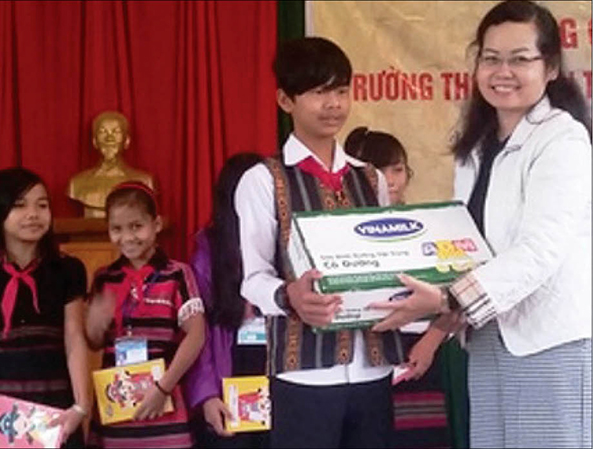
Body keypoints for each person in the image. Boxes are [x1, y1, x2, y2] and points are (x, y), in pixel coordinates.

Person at [371, 1, 592, 448]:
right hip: (487, 336)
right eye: (491, 58)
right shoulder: (476, 148)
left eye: (520, 59)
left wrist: (445, 299)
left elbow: (539, 251)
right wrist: (434, 313)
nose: (502, 72)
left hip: (549, 341)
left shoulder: (563, 139)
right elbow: (466, 248)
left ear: (550, 67)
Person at [235, 37, 395, 449]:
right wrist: (289, 295)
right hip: (303, 373)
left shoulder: (370, 178)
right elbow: (252, 278)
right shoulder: (263, 180)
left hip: (373, 368)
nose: (333, 104)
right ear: (285, 100)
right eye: (319, 92)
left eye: (341, 91)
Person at [0, 167, 90, 448]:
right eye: (20, 205)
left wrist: (81, 406)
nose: (33, 214)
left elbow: (74, 338)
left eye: (42, 205)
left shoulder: (67, 270)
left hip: (52, 408)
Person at [345, 127, 454, 448]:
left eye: (397, 170)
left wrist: (430, 342)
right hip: (361, 358)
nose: (390, 181)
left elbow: (460, 292)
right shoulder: (338, 231)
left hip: (420, 354)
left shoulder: (429, 228)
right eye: (379, 171)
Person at [85, 181, 205, 448]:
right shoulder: (104, 277)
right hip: (117, 412)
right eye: (117, 229)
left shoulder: (177, 274)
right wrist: (94, 322)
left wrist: (163, 388)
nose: (127, 237)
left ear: (156, 224)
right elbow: (94, 342)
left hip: (165, 405)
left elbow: (196, 335)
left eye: (136, 226)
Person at [185, 152, 269, 448]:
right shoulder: (208, 250)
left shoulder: (287, 241)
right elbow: (199, 335)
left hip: (279, 378)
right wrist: (207, 396)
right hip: (227, 379)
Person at [67, 111, 155, 218]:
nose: (109, 138)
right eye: (103, 132)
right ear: (94, 141)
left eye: (116, 132)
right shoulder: (77, 183)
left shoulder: (144, 181)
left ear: (127, 141)